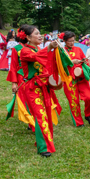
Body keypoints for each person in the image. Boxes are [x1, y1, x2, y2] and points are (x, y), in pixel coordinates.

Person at [17, 24, 59, 157]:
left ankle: (46, 141)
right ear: (28, 38)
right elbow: (36, 58)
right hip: (32, 88)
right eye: (36, 33)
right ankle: (44, 147)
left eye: (40, 33)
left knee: (46, 114)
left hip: (44, 87)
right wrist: (49, 48)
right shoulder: (25, 51)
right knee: (40, 115)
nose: (40, 35)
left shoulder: (39, 49)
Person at [61, 31, 90, 127]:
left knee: (88, 97)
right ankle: (78, 122)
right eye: (69, 41)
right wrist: (72, 62)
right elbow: (59, 65)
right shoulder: (61, 52)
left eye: (73, 40)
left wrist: (84, 62)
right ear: (64, 41)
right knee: (74, 101)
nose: (72, 43)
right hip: (69, 79)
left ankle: (88, 114)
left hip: (81, 78)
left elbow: (84, 60)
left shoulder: (78, 49)